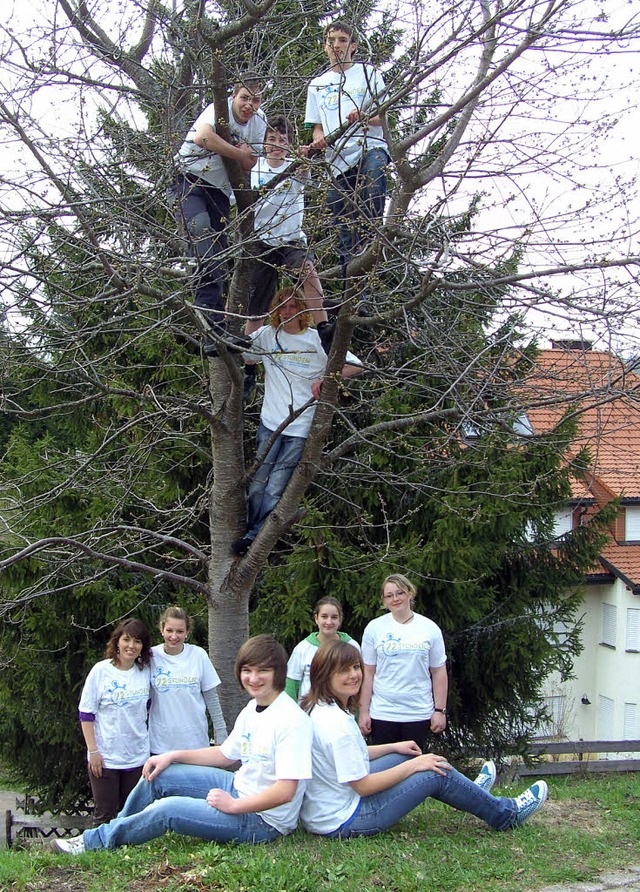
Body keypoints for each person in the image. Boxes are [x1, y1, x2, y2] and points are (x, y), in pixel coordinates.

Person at [53, 635, 313, 854]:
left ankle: (91, 842)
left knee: (169, 810)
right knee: (159, 775)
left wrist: (235, 806)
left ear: (278, 673)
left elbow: (285, 792)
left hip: (263, 820)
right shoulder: (253, 708)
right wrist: (171, 756)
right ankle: (117, 830)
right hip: (237, 786)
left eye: (263, 671)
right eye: (247, 670)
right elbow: (225, 754)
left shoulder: (291, 720)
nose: (253, 678)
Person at [299, 640, 548, 838]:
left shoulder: (321, 708)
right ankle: (507, 814)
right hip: (344, 819)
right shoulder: (336, 724)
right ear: (323, 675)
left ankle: (471, 792)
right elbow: (362, 786)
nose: (354, 675)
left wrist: (395, 747)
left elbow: (353, 756)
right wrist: (414, 766)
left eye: (355, 667)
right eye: (344, 670)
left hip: (326, 809)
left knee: (402, 754)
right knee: (432, 771)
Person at [231, 287, 363, 556]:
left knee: (277, 486)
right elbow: (244, 353)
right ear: (276, 310)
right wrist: (252, 318)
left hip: (301, 426)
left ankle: (254, 537)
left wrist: (326, 379)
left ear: (304, 309)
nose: (288, 312)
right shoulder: (269, 336)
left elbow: (356, 365)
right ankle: (252, 529)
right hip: (270, 422)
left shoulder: (317, 339)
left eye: (294, 307)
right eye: (283, 307)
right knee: (258, 485)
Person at [171, 73, 267, 349]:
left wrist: (238, 153)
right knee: (202, 239)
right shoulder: (219, 109)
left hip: (219, 191)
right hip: (189, 181)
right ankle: (208, 325)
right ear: (234, 96)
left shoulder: (258, 123)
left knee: (218, 255)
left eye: (256, 99)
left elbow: (252, 162)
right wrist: (237, 152)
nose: (249, 105)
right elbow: (203, 138)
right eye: (244, 98)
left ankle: (216, 329)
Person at [305, 21, 389, 288]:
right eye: (331, 40)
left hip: (369, 148)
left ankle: (375, 233)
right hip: (337, 163)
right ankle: (353, 298)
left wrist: (366, 117)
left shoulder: (369, 74)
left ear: (353, 45)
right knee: (345, 233)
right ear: (325, 46)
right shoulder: (317, 85)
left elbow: (383, 117)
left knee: (375, 179)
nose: (337, 45)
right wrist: (318, 141)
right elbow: (316, 128)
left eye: (342, 40)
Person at [358, 573, 447, 751]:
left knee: (413, 769)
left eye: (399, 593)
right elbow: (367, 673)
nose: (395, 599)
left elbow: (439, 672)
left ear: (410, 593)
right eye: (389, 596)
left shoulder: (429, 628)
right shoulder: (374, 628)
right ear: (384, 600)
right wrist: (363, 711)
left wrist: (440, 711)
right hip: (383, 713)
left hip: (418, 713)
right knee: (385, 770)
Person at [78, 618, 152, 827]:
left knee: (131, 815)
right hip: (106, 757)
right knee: (105, 814)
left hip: (137, 757)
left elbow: (149, 708)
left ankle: (128, 858)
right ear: (117, 642)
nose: (131, 645)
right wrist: (93, 751)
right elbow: (86, 713)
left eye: (137, 642)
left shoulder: (145, 672)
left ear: (143, 647)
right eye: (126, 639)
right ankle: (100, 858)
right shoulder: (101, 671)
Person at [149, 606, 227, 754]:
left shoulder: (198, 655)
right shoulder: (151, 656)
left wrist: (220, 730)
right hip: (161, 745)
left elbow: (211, 697)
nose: (174, 636)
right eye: (169, 630)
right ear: (162, 629)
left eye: (180, 631)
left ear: (187, 633)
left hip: (195, 743)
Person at [286, 596, 360, 702]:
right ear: (316, 618)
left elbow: (359, 682)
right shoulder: (302, 648)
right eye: (324, 616)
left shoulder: (352, 646)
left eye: (334, 617)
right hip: (309, 713)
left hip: (343, 712)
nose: (329, 622)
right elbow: (291, 684)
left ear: (340, 619)